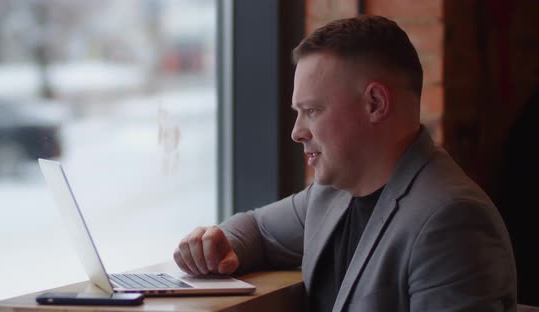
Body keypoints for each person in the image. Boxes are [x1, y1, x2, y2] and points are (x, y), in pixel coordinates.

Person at [174, 15, 517, 311]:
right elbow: (258, 229)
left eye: (312, 111)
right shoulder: (329, 194)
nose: (296, 132)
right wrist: (217, 244)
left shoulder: (452, 221)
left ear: (375, 103)